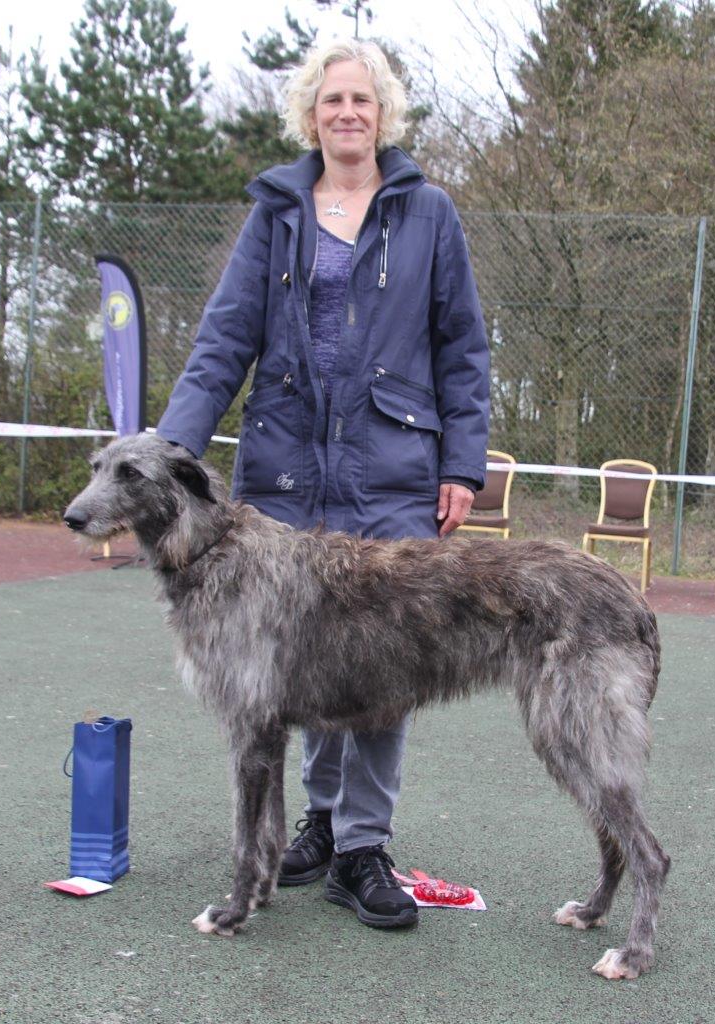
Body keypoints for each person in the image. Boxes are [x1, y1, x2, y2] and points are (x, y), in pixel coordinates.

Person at [155, 39, 490, 929]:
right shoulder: (275, 214)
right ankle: (316, 821)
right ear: (311, 116)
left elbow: (462, 348)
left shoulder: (428, 214)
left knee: (383, 655)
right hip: (287, 469)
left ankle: (361, 843)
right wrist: (166, 451)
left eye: (363, 100)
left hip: (391, 468)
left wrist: (461, 461)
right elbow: (224, 340)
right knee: (294, 655)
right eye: (331, 99)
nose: (348, 112)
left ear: (384, 115)